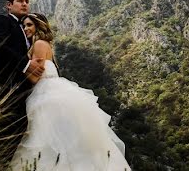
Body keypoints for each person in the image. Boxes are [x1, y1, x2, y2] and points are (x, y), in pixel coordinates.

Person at [11, 13, 129, 171]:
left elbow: (35, 76)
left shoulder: (39, 44)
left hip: (46, 93)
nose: (26, 28)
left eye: (29, 25)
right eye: (24, 25)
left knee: (48, 137)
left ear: (38, 26)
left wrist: (20, 68)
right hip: (56, 90)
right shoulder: (45, 44)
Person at [0, 0, 44, 162]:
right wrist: (27, 65)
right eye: (20, 1)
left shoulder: (25, 28)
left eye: (27, 1)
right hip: (7, 86)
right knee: (8, 132)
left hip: (22, 89)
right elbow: (1, 47)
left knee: (20, 131)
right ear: (9, 5)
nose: (25, 4)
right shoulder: (2, 21)